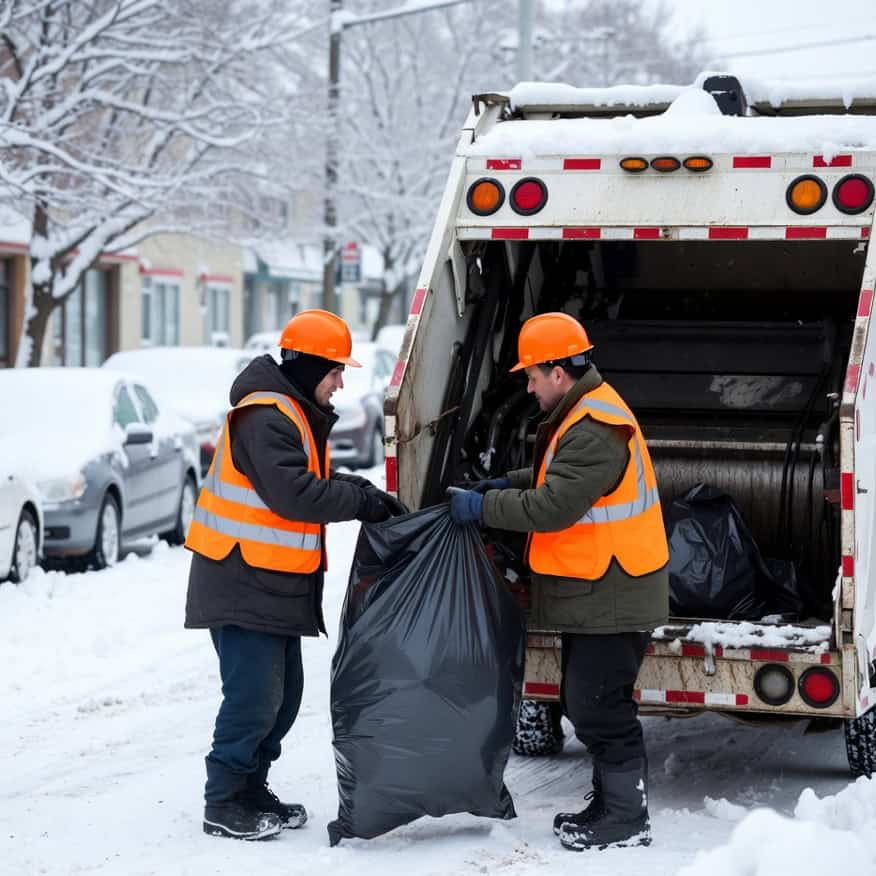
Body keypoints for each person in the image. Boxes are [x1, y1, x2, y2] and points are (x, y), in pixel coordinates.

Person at [449, 312, 669, 852]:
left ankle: (626, 816)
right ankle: (610, 802)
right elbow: (556, 475)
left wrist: (484, 505)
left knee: (598, 706)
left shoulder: (595, 424)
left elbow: (555, 504)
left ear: (558, 372)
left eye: (531, 376)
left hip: (613, 589)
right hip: (597, 587)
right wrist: (506, 481)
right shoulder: (582, 413)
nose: (527, 386)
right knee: (586, 699)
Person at [184, 309, 401, 841]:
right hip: (240, 577)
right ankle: (224, 799)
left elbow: (309, 477)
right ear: (308, 366)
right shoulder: (266, 415)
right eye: (334, 371)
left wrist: (362, 490)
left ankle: (252, 787)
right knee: (254, 697)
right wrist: (361, 504)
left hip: (272, 581)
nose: (341, 382)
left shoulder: (293, 411)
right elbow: (293, 494)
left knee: (282, 698)